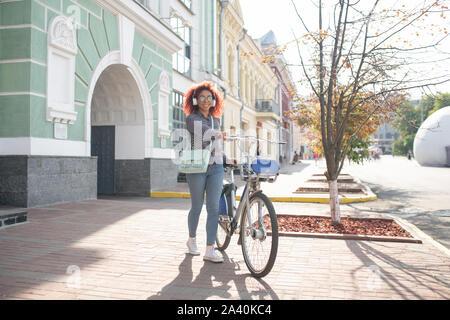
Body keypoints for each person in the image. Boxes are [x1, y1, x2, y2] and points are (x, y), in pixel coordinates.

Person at [182, 81, 236, 263]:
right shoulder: (192, 118)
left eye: (209, 97)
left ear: (213, 100)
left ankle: (210, 248)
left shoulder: (216, 120)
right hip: (197, 167)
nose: (205, 100)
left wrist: (227, 159)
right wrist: (219, 133)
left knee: (213, 208)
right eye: (202, 97)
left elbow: (216, 144)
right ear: (195, 100)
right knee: (197, 207)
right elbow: (204, 133)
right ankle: (191, 240)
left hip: (216, 168)